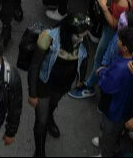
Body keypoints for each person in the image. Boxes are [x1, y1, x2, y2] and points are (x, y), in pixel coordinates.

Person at [27, 13, 89, 158]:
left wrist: (80, 79)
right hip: (45, 83)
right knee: (40, 120)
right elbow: (34, 66)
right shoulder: (48, 38)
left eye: (83, 35)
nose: (81, 39)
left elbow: (85, 57)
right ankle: (40, 151)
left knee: (52, 105)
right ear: (68, 31)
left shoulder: (81, 38)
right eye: (78, 35)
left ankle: (50, 118)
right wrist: (32, 94)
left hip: (64, 84)